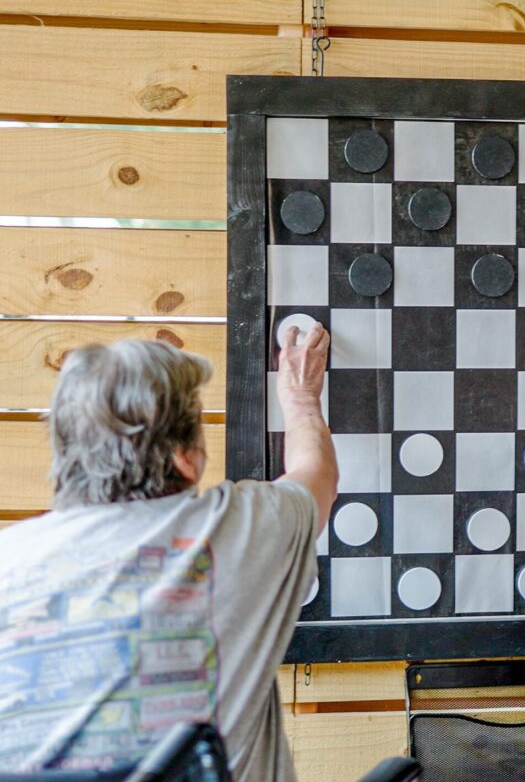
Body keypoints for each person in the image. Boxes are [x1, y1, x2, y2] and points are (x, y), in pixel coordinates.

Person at [0, 323, 336, 781]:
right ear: (185, 457)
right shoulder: (236, 530)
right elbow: (316, 473)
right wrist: (300, 398)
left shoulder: (8, 559)